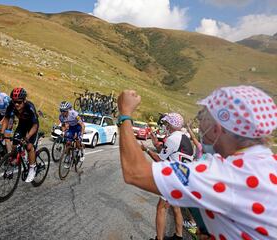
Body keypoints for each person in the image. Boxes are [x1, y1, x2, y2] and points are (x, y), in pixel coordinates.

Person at [117, 85, 277, 239]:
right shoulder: (267, 162)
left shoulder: (224, 174)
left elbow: (135, 172)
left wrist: (125, 113)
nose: (199, 125)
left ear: (217, 128)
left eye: (202, 117)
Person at [140, 113, 194, 240]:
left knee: (161, 208)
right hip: (183, 177)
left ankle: (159, 238)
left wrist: (146, 149)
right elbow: (168, 152)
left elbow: (159, 159)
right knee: (176, 207)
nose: (166, 126)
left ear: (172, 125)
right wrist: (155, 142)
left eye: (167, 124)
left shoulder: (173, 139)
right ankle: (179, 236)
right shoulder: (183, 137)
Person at [0, 87, 39, 183]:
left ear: (25, 100)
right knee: (14, 145)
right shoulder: (11, 105)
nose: (16, 104)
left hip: (32, 127)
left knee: (29, 147)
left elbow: (35, 125)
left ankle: (32, 168)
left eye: (19, 102)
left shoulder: (30, 107)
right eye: (14, 102)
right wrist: (2, 132)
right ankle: (17, 160)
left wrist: (27, 137)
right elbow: (6, 119)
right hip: (22, 125)